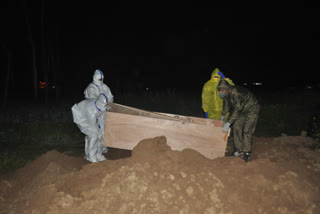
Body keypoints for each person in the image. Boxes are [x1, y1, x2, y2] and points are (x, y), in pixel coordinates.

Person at [218, 79, 260, 162]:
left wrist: (228, 123)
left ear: (226, 89)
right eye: (219, 90)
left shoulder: (235, 92)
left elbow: (237, 109)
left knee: (247, 130)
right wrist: (222, 116)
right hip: (242, 110)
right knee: (236, 126)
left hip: (252, 108)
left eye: (222, 90)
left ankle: (247, 152)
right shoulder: (227, 95)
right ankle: (238, 149)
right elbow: (226, 105)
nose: (220, 92)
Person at [71, 93, 109, 163]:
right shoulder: (91, 110)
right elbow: (92, 125)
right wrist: (99, 133)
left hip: (93, 118)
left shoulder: (102, 108)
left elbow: (102, 120)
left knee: (101, 135)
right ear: (100, 104)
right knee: (94, 135)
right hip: (82, 117)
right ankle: (91, 156)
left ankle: (98, 154)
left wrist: (102, 132)